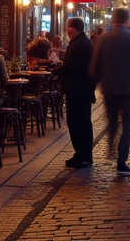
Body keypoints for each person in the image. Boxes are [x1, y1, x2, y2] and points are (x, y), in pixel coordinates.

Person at [89, 7, 130, 176]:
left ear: (113, 20)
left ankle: (110, 147)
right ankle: (122, 161)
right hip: (129, 89)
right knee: (127, 125)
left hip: (109, 88)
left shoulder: (102, 39)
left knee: (113, 122)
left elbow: (94, 67)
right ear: (128, 20)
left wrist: (97, 84)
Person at [53, 17, 96, 169]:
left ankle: (82, 155)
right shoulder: (82, 42)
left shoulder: (79, 44)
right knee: (82, 122)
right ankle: (83, 154)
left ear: (72, 28)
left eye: (67, 26)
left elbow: (70, 66)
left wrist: (54, 71)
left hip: (78, 90)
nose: (66, 29)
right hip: (81, 89)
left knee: (77, 122)